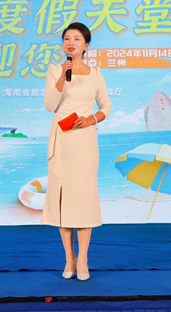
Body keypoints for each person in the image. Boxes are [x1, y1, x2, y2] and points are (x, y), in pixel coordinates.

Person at [41, 22, 112, 281]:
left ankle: (82, 258)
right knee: (63, 199)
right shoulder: (55, 70)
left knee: (83, 198)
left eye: (77, 39)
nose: (71, 43)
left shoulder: (95, 73)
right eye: (67, 39)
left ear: (86, 45)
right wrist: (62, 76)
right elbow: (50, 104)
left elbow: (106, 106)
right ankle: (69, 257)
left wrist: (92, 119)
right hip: (61, 138)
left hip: (84, 140)